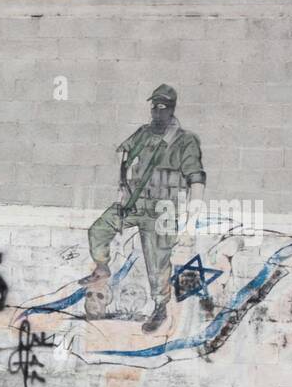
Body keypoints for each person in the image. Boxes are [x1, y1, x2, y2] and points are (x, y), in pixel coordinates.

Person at [81, 84, 206, 333]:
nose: (157, 113)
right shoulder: (144, 133)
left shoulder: (185, 141)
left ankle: (159, 307)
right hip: (135, 204)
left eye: (162, 108)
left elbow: (197, 180)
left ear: (171, 110)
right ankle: (102, 268)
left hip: (163, 210)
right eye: (154, 107)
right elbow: (123, 152)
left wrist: (191, 223)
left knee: (157, 262)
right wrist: (124, 184)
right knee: (98, 229)